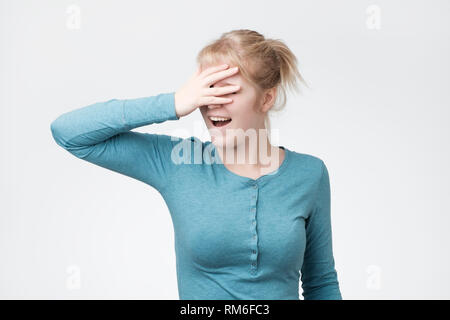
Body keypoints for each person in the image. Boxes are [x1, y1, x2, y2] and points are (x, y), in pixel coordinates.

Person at [50, 29, 342, 300]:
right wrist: (175, 102)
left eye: (227, 91)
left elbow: (321, 282)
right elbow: (70, 133)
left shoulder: (310, 174)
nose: (211, 103)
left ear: (266, 98)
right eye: (206, 90)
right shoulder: (178, 161)